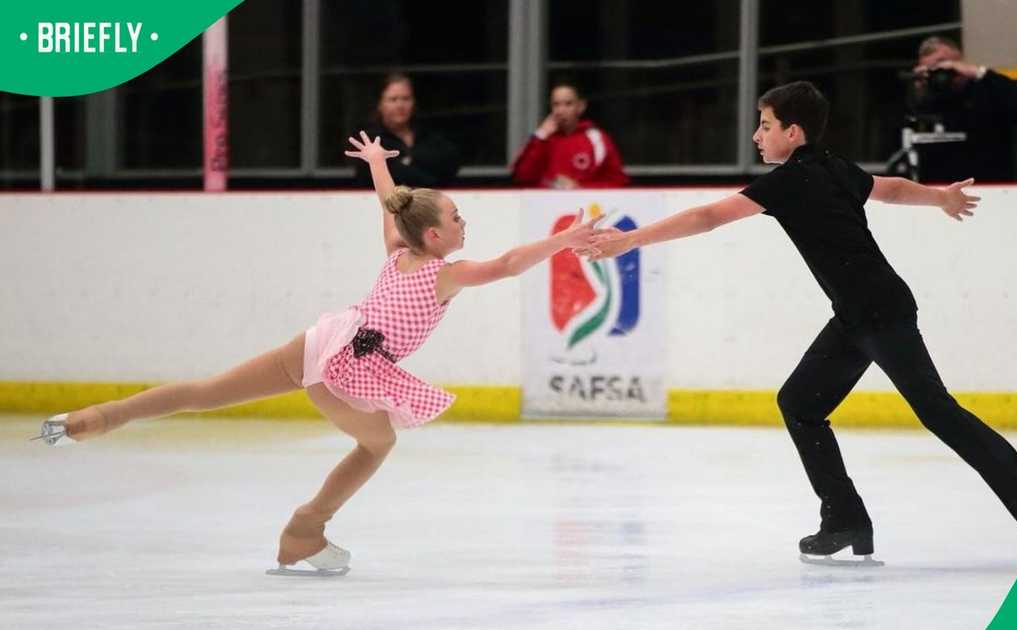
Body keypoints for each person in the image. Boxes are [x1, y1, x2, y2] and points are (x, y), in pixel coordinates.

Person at [36, 131, 601, 577]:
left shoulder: (396, 250)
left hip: (321, 342)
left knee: (207, 393)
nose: (463, 222)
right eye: (455, 217)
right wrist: (563, 241)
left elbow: (391, 205)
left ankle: (96, 418)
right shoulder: (444, 276)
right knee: (378, 443)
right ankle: (307, 528)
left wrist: (379, 164)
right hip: (350, 366)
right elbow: (504, 265)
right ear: (432, 236)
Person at [586, 81, 1017, 562]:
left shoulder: (788, 182)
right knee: (800, 403)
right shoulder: (833, 167)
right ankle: (845, 518)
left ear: (793, 132)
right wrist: (938, 196)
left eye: (766, 125)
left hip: (879, 311)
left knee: (939, 412)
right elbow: (889, 188)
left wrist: (632, 239)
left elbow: (709, 216)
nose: (758, 135)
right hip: (858, 314)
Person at [906, 36, 1017, 183]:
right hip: (938, 183)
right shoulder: (926, 95)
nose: (941, 73)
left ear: (959, 61)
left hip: (990, 180)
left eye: (944, 64)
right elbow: (910, 117)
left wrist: (978, 72)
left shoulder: (987, 88)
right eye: (933, 69)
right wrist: (919, 88)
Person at [511, 81, 629, 189]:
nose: (561, 110)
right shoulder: (543, 139)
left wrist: (580, 187)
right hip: (545, 207)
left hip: (584, 207)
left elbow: (618, 182)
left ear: (581, 106)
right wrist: (540, 135)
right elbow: (522, 176)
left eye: (568, 104)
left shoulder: (597, 138)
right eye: (556, 104)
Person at [353, 73, 461, 188]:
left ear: (414, 102)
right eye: (393, 99)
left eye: (406, 99)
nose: (400, 105)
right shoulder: (369, 139)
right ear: (380, 104)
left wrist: (405, 164)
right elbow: (368, 177)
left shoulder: (430, 135)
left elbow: (450, 167)